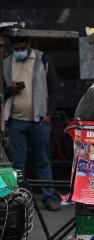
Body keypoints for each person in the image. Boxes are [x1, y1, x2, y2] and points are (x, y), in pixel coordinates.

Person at [2, 35, 60, 210]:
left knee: (42, 161)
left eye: (22, 48)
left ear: (29, 45)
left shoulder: (42, 59)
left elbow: (54, 89)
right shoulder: (5, 63)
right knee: (18, 164)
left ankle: (48, 196)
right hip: (15, 122)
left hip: (39, 121)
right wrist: (9, 90)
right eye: (16, 49)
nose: (19, 51)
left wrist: (49, 114)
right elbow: (1, 93)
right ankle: (20, 200)